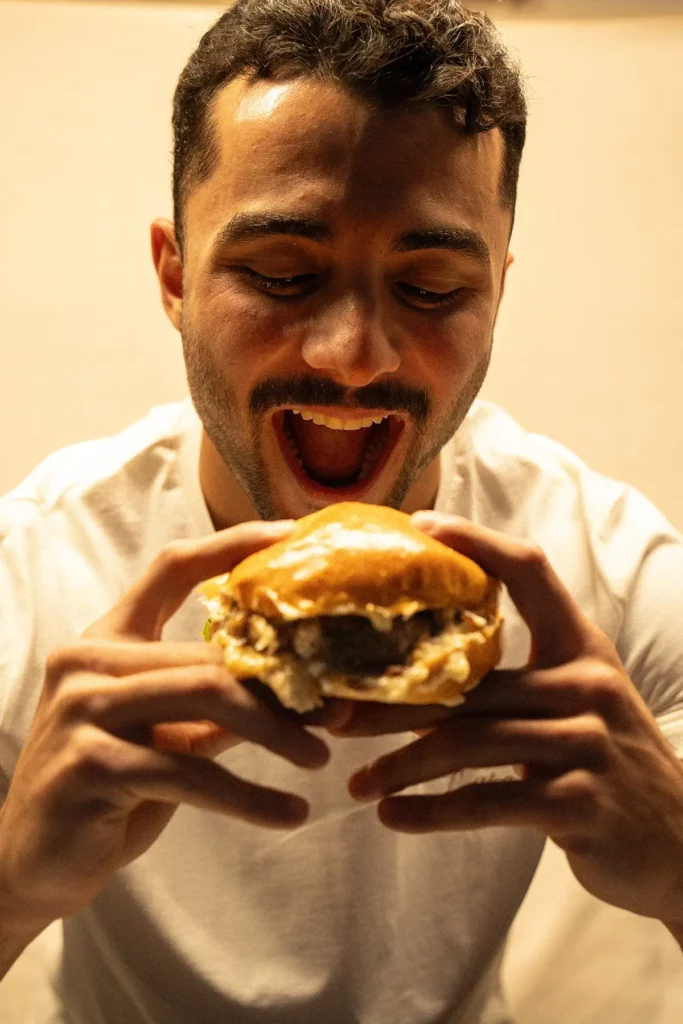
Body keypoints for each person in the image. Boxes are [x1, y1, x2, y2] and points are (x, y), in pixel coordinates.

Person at [1, 0, 682, 1021]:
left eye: (429, 286)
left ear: (496, 289)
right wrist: (12, 885)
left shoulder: (609, 565)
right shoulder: (36, 566)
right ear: (175, 276)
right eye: (283, 273)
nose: (352, 354)